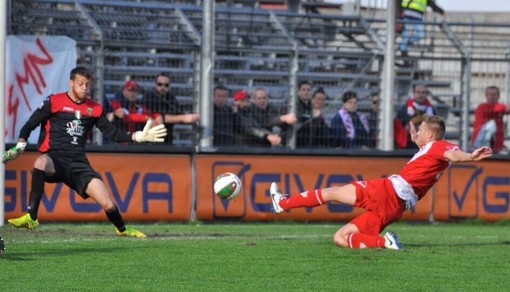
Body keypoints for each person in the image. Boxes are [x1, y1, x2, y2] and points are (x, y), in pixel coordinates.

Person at [270, 115, 493, 250]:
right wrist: (416, 135)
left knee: (332, 193)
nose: (417, 133)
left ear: (430, 136)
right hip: (396, 207)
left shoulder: (438, 146)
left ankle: (283, 204)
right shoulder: (429, 149)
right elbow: (438, 151)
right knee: (340, 237)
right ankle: (385, 243)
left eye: (422, 130)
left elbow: (454, 154)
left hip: (389, 191)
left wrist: (471, 156)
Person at [6, 66, 167, 238]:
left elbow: (112, 133)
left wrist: (137, 136)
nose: (84, 88)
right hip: (56, 159)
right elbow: (31, 123)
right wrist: (21, 143)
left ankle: (122, 229)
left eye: (86, 84)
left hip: (79, 164)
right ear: (71, 83)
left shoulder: (94, 109)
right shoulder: (54, 101)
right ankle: (32, 217)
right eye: (80, 84)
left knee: (108, 205)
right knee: (40, 162)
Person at [143, 73, 199, 144]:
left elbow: (178, 112)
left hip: (167, 139)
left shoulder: (171, 97)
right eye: (160, 84)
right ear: (155, 84)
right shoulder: (149, 96)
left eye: (166, 85)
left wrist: (187, 116)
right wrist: (182, 118)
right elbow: (154, 116)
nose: (163, 87)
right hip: (149, 139)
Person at [396, 83, 436, 149]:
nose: (420, 95)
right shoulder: (405, 109)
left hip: (426, 145)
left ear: (426, 94)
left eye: (423, 93)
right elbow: (399, 127)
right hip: (408, 145)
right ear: (413, 93)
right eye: (418, 92)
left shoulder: (431, 110)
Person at [471, 86, 510, 152]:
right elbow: (501, 109)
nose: (492, 97)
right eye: (489, 94)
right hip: (481, 141)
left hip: (496, 141)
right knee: (491, 125)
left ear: (498, 96)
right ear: (486, 96)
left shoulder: (499, 106)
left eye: (494, 94)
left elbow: (506, 109)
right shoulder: (481, 107)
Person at [295, 81, 314, 147]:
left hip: (310, 142)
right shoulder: (293, 106)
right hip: (297, 142)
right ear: (298, 92)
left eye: (308, 90)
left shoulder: (312, 107)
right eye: (303, 90)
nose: (306, 92)